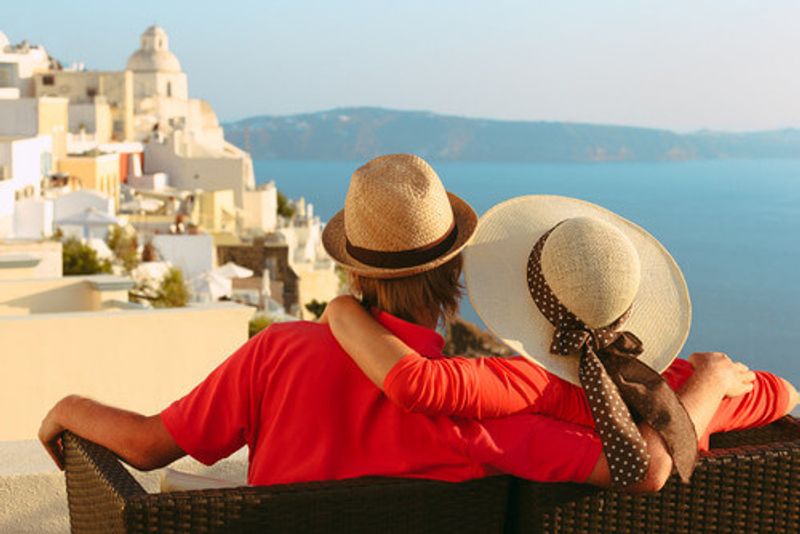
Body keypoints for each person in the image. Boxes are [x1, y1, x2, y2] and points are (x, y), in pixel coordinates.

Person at [39, 155, 759, 492]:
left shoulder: (275, 356)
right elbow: (644, 464)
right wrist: (717, 386)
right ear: (456, 275)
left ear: (353, 273)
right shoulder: (482, 402)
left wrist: (68, 406)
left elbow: (148, 445)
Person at [322, 194, 799, 464]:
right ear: (629, 307)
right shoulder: (672, 387)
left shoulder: (525, 387)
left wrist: (342, 309)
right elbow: (783, 393)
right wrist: (712, 381)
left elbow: (417, 383)